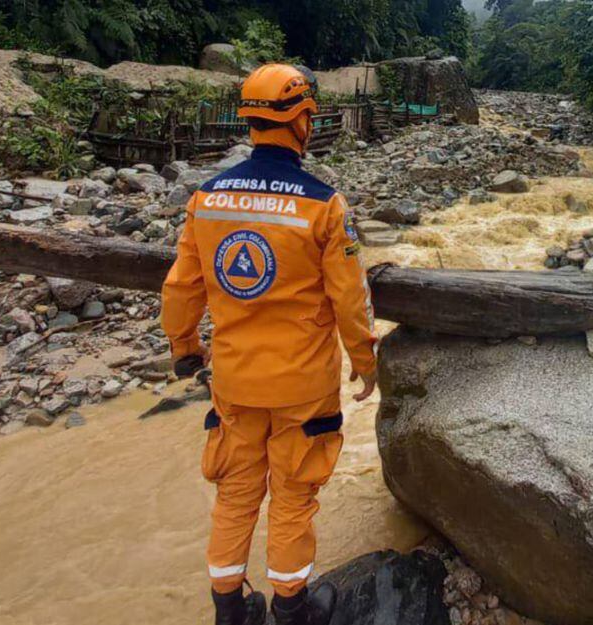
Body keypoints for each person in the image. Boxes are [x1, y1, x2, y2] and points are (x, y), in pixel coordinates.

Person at [160, 63, 378, 625]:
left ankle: (230, 608)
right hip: (302, 386)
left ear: (250, 122)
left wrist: (185, 346)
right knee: (293, 498)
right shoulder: (324, 205)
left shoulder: (206, 200)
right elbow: (349, 298)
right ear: (303, 120)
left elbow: (182, 287)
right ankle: (292, 609)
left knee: (235, 495)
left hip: (234, 380)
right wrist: (365, 361)